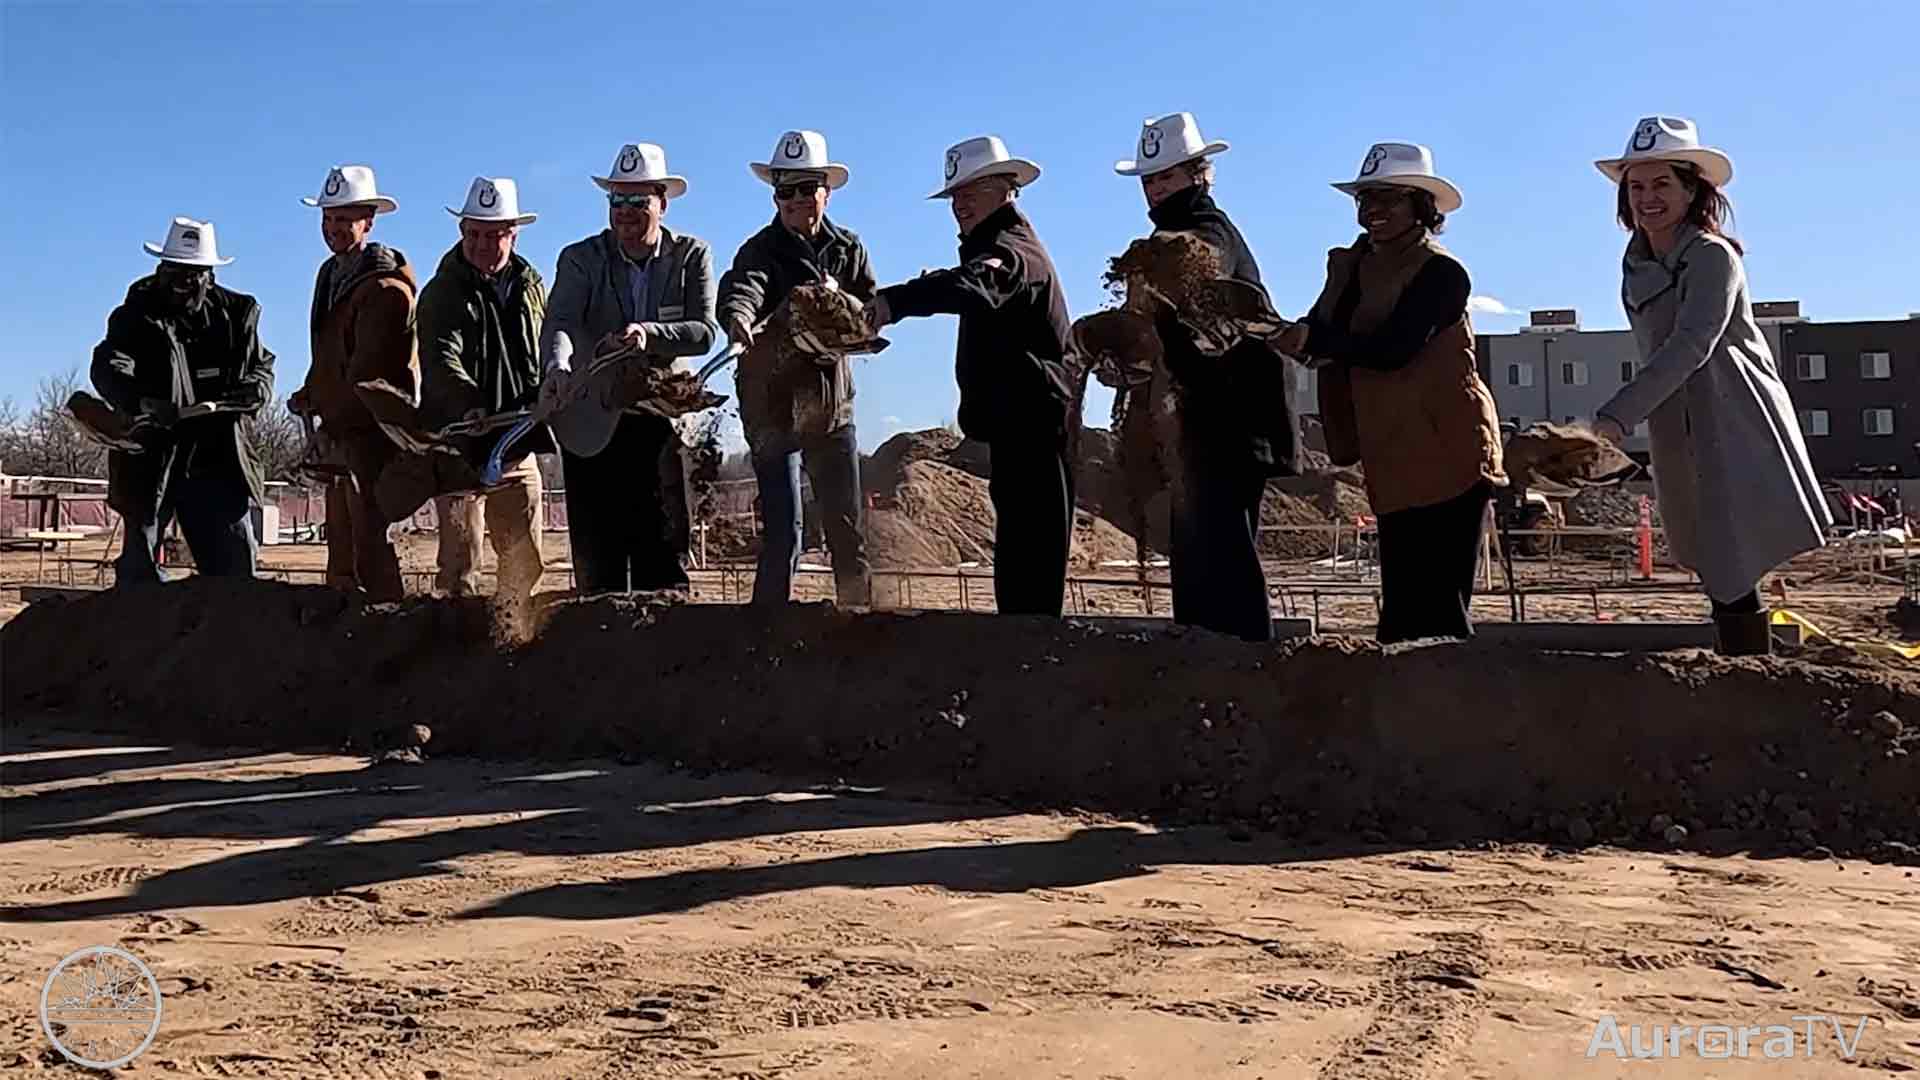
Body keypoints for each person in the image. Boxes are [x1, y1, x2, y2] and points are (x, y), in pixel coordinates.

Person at [1589, 116, 1828, 656]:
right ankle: (1742, 660)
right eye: (1636, 186)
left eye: (1661, 184)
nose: (1647, 198)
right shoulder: (1637, 263)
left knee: (1731, 544)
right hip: (1675, 415)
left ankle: (1749, 664)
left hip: (1731, 412)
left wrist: (1613, 418)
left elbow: (1692, 343)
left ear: (1692, 189)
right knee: (1705, 542)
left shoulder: (1712, 256)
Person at [1295, 143, 1504, 644]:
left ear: (1421, 207)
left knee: (1438, 609)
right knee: (1403, 611)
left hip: (1447, 451)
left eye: (1388, 199)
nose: (1373, 211)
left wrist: (1313, 342)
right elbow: (1324, 330)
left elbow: (1393, 348)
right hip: (1393, 450)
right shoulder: (1354, 269)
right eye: (1366, 200)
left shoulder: (1441, 273)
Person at [867, 136, 1075, 616]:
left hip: (1037, 428)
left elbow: (976, 284)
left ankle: (1033, 660)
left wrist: (894, 302)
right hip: (1018, 428)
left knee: (1031, 565)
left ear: (1007, 188)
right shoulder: (997, 247)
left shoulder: (1013, 251)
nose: (959, 202)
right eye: (954, 194)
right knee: (1020, 559)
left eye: (972, 189)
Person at [1115, 112, 1295, 641]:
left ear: (1198, 174)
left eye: (1165, 176)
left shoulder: (1205, 234)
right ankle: (1206, 671)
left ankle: (1243, 669)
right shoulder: (1161, 246)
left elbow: (1202, 272)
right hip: (1197, 422)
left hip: (1229, 422)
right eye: (1149, 179)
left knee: (1224, 561)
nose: (1154, 188)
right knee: (1198, 557)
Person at [541, 142, 718, 594]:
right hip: (591, 422)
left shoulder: (691, 256)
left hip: (656, 422)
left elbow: (703, 332)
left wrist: (649, 333)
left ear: (662, 201)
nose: (625, 211)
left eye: (637, 201)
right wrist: (558, 367)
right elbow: (560, 320)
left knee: (659, 558)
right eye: (617, 200)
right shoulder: (580, 258)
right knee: (598, 565)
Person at [719, 130, 876, 608]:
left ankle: (861, 623)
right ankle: (767, 632)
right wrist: (740, 318)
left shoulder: (848, 249)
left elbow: (871, 309)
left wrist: (839, 300)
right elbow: (745, 285)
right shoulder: (759, 251)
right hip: (772, 406)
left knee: (846, 528)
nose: (794, 200)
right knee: (784, 531)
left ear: (825, 192)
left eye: (805, 188)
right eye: (784, 190)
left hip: (830, 408)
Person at [91, 217, 275, 585]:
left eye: (191, 275)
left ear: (210, 275)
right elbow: (108, 365)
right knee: (139, 570)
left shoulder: (237, 314)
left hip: (218, 455)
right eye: (172, 272)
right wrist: (142, 401)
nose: (181, 284)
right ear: (160, 269)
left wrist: (256, 389)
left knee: (234, 570)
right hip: (152, 454)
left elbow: (261, 366)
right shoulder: (135, 313)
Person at [417, 177, 549, 606]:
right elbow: (441, 358)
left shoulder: (532, 287)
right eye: (473, 233)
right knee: (458, 563)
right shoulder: (442, 292)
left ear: (513, 233)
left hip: (516, 441)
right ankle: (454, 649)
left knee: (523, 561)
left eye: (493, 235)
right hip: (459, 443)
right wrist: (467, 403)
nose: (482, 244)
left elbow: (546, 346)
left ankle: (516, 640)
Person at [289, 164, 418, 603]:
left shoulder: (386, 286)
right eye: (328, 218)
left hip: (372, 428)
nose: (333, 228)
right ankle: (345, 625)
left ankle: (386, 620)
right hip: (343, 425)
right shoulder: (330, 275)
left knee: (369, 536)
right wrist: (312, 391)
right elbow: (329, 352)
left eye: (344, 219)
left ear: (368, 220)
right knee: (341, 540)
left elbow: (370, 369)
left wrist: (331, 420)